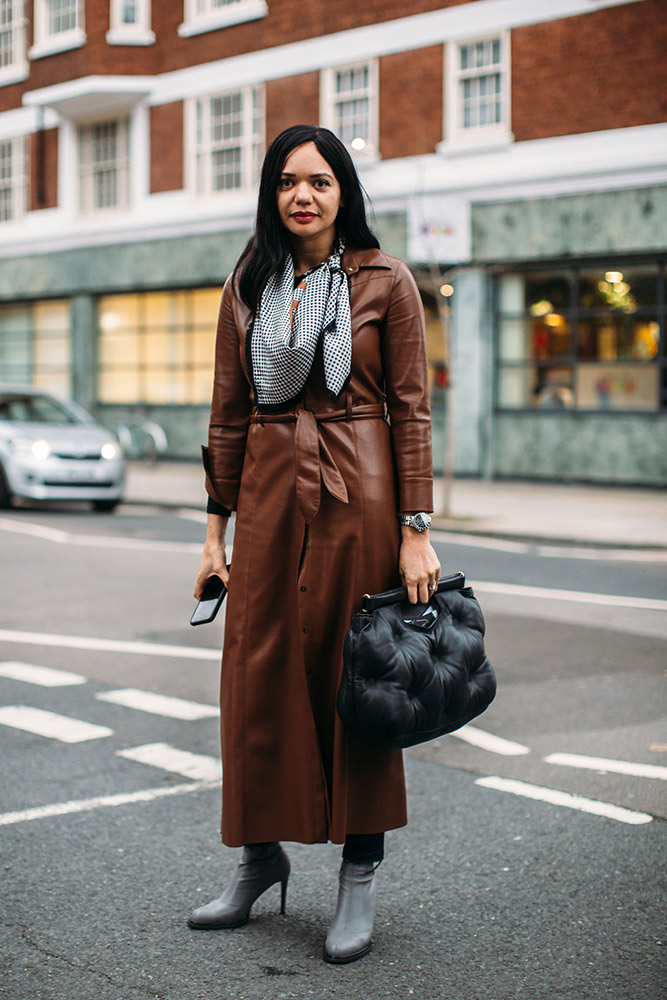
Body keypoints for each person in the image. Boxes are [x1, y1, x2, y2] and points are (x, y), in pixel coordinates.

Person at [188, 124, 440, 964]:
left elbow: (410, 410)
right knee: (254, 676)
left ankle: (358, 877)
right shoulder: (249, 281)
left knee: (354, 676)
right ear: (272, 193)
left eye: (320, 182)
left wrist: (414, 532)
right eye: (289, 182)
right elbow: (227, 414)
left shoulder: (385, 280)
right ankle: (259, 860)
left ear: (343, 193)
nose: (303, 195)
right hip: (263, 494)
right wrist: (212, 533)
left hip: (358, 495)